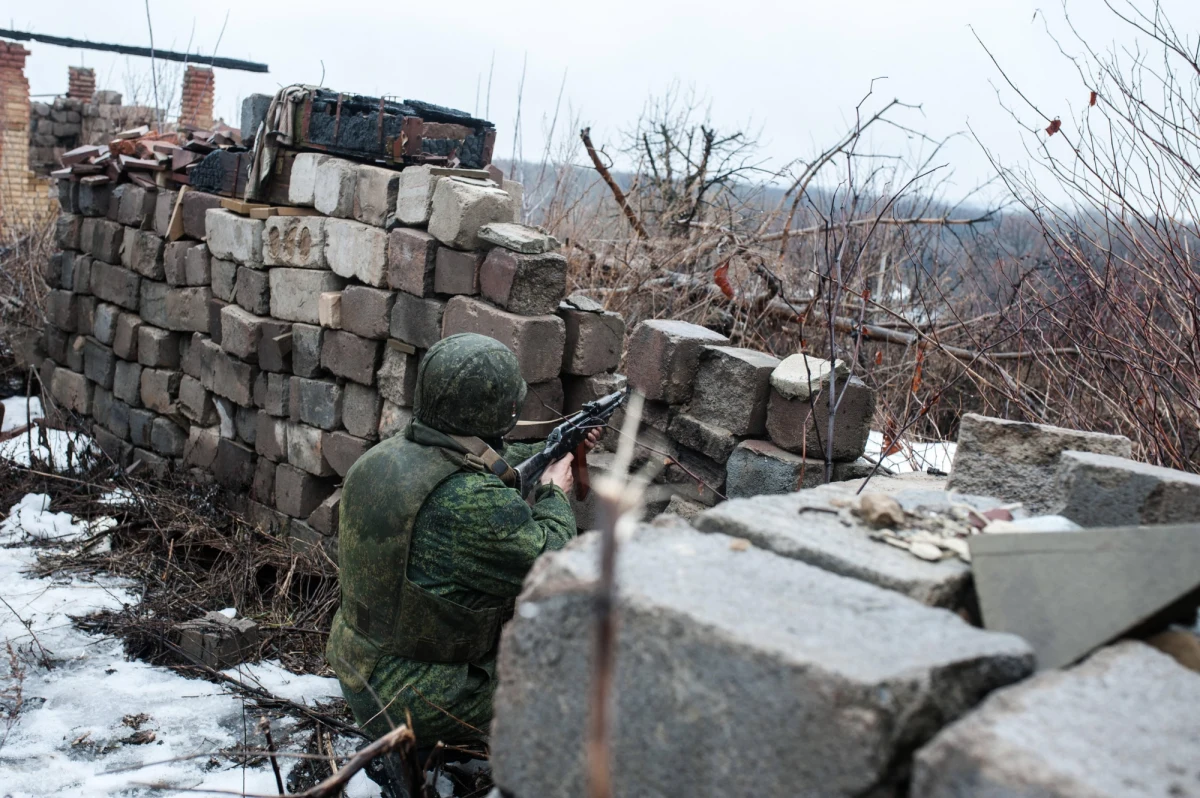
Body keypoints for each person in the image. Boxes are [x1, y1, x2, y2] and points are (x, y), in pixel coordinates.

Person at [326, 332, 598, 748]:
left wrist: (554, 447)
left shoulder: (385, 457)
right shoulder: (468, 502)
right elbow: (553, 566)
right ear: (499, 412)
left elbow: (485, 465)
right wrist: (554, 492)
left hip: (359, 666)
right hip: (412, 699)